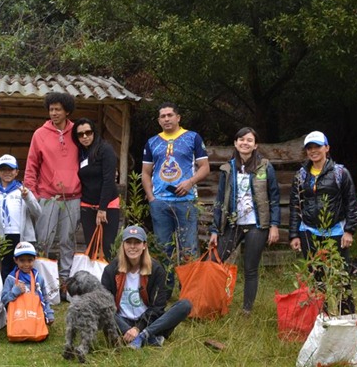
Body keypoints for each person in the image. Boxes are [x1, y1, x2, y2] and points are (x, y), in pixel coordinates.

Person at [207, 126, 281, 313]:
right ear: (235, 143)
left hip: (257, 224)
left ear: (255, 145)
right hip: (233, 223)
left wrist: (274, 225)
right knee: (215, 261)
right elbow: (219, 200)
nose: (245, 143)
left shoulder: (265, 167)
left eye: (249, 140)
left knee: (250, 267)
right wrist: (215, 229)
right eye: (241, 139)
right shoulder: (228, 168)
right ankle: (213, 303)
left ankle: (246, 310)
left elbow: (274, 197)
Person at [141, 102, 209, 291]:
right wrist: (151, 197)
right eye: (162, 116)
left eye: (170, 115)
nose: (166, 119)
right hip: (160, 202)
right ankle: (165, 289)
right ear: (158, 120)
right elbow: (145, 172)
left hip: (186, 202)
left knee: (189, 247)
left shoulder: (192, 138)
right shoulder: (152, 142)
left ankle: (189, 289)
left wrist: (189, 182)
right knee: (163, 248)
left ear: (178, 117)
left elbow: (205, 167)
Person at [289, 131, 357, 315]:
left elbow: (352, 202)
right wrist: (294, 234)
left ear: (327, 148)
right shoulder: (301, 175)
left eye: (317, 147)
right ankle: (321, 317)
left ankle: (347, 318)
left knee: (341, 276)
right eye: (309, 148)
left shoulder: (340, 173)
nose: (313, 151)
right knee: (315, 276)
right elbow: (296, 206)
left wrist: (349, 230)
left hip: (335, 231)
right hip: (309, 231)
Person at [101, 225, 191, 348]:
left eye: (137, 242)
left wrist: (138, 329)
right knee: (99, 307)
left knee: (185, 305)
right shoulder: (111, 270)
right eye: (128, 242)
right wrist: (126, 328)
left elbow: (158, 307)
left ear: (144, 245)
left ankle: (143, 336)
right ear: (123, 245)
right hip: (122, 321)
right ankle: (149, 339)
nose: (132, 246)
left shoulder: (156, 269)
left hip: (147, 322)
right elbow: (103, 304)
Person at [24, 92, 81, 282]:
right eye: (51, 109)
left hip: (73, 195)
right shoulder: (39, 134)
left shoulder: (78, 132)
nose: (54, 113)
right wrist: (31, 193)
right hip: (47, 195)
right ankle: (42, 279)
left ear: (67, 111)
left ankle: (65, 281)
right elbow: (32, 165)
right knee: (43, 239)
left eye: (58, 109)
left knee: (68, 240)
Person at [0, 155, 41, 279]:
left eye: (10, 169)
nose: (7, 173)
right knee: (3, 268)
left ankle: (22, 293)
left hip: (19, 235)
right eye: (3, 169)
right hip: (0, 237)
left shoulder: (23, 191)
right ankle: (5, 295)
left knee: (21, 267)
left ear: (16, 172)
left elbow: (37, 212)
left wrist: (28, 198)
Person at [72, 118, 120, 260]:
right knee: (91, 246)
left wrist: (102, 208)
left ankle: (107, 280)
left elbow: (109, 179)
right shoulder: (80, 153)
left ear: (94, 132)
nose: (85, 136)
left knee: (107, 247)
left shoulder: (105, 149)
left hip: (107, 205)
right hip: (87, 204)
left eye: (88, 132)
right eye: (80, 134)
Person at [1, 242, 54, 325]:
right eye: (22, 260)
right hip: (17, 318)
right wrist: (14, 292)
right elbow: (4, 300)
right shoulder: (11, 279)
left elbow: (45, 298)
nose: (26, 264)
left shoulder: (39, 279)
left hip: (35, 316)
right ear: (15, 260)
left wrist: (49, 313)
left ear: (35, 259)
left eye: (30, 260)